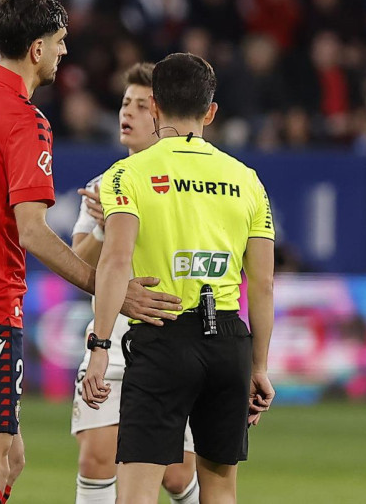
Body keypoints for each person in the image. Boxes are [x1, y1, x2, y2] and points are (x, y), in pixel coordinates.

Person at [0, 0, 182, 504]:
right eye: (60, 42)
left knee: (8, 458)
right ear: (37, 49)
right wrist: (112, 290)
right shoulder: (26, 120)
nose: (65, 53)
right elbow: (33, 232)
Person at [81, 53, 276, 504]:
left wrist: (100, 347)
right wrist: (259, 366)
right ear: (210, 112)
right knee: (220, 488)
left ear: (155, 107)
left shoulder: (126, 174)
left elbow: (114, 262)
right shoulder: (247, 180)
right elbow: (262, 285)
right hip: (229, 339)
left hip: (163, 335)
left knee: (137, 492)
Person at [69, 62, 199, 504]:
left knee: (176, 475)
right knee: (96, 456)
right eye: (126, 103)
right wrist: (107, 228)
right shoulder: (103, 185)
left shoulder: (186, 183)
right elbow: (77, 266)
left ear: (161, 116)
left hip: (165, 332)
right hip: (112, 333)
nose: (129, 113)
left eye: (142, 106)